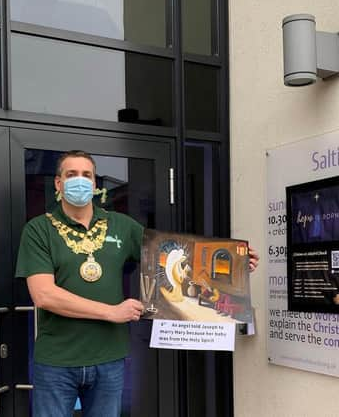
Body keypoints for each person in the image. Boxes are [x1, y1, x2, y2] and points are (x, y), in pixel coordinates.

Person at [15, 150, 259, 417]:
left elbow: (171, 258)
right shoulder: (39, 229)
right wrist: (111, 311)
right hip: (57, 362)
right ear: (58, 183)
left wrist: (233, 265)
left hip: (109, 359)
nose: (80, 181)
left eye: (87, 175)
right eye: (71, 174)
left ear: (95, 184)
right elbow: (44, 295)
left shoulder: (120, 225)